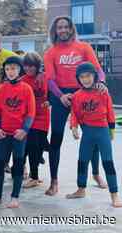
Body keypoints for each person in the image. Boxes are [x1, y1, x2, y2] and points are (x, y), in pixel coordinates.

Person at [44, 16, 108, 196]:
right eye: (59, 28)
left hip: (84, 95)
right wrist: (60, 95)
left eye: (66, 27)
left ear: (71, 29)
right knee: (55, 139)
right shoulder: (50, 52)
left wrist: (100, 83)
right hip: (61, 96)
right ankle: (54, 181)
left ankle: (95, 174)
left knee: (92, 136)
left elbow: (98, 71)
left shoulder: (84, 47)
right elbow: (49, 80)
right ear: (55, 31)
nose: (63, 30)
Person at [66, 62, 122, 208]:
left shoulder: (102, 92)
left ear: (94, 76)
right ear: (78, 79)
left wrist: (111, 129)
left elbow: (110, 111)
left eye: (89, 76)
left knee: (107, 162)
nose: (86, 79)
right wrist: (74, 127)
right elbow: (75, 113)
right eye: (82, 77)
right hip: (87, 133)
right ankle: (81, 189)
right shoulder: (77, 95)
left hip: (102, 131)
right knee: (82, 161)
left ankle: (114, 194)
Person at [0, 56, 35, 209]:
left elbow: (31, 112)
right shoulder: (1, 88)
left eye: (13, 68)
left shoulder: (26, 88)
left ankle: (15, 197)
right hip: (3, 133)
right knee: (0, 163)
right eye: (7, 69)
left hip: (19, 134)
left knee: (18, 164)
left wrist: (25, 130)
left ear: (20, 70)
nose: (10, 72)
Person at [21, 52, 50, 188]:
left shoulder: (44, 77)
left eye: (32, 66)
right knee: (32, 146)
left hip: (43, 116)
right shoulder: (22, 80)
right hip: (29, 117)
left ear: (37, 66)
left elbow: (52, 93)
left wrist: (49, 101)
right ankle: (33, 176)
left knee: (38, 148)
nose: (29, 69)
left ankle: (35, 176)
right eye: (26, 66)